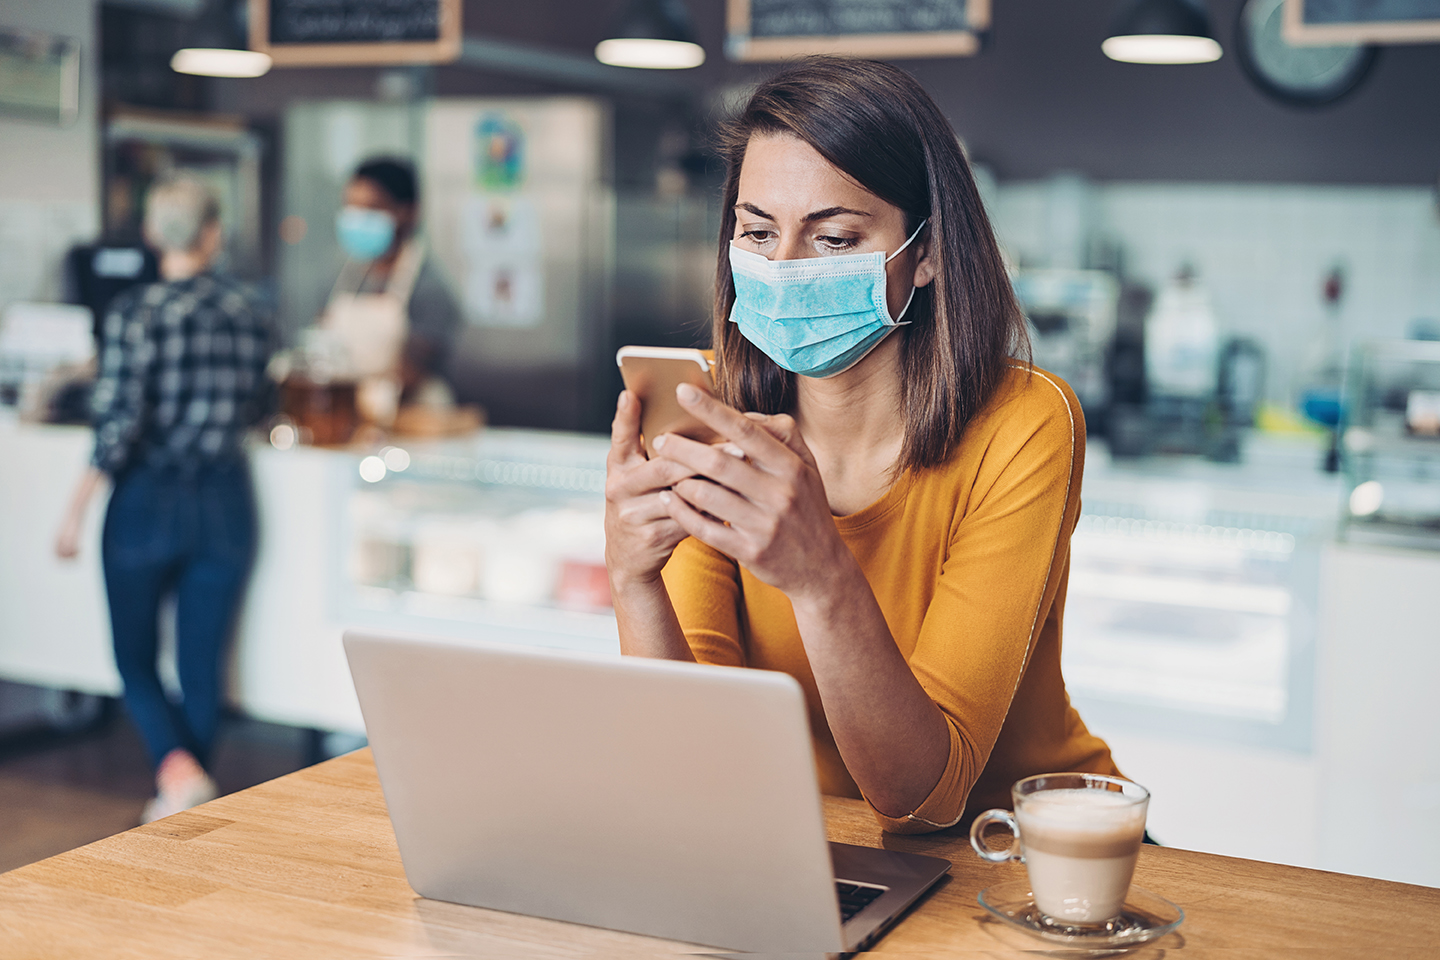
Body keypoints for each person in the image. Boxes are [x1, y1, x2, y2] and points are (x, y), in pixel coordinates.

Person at [605, 57, 1122, 835]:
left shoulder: (1024, 424)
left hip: (1029, 850)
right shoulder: (713, 416)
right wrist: (632, 578)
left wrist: (820, 577)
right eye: (756, 231)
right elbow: (698, 757)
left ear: (928, 253)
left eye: (834, 237)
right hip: (818, 847)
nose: (781, 271)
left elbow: (926, 796)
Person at [54, 174, 274, 822]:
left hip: (146, 500)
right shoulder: (252, 312)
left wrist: (75, 509)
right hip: (227, 498)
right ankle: (184, 793)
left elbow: (119, 425)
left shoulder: (135, 314)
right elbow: (263, 405)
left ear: (152, 235)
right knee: (202, 662)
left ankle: (176, 777)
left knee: (135, 655)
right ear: (214, 235)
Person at [323, 156, 462, 406]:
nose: (357, 219)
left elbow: (411, 374)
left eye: (372, 208)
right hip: (347, 415)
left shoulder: (430, 288)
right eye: (351, 207)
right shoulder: (344, 277)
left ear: (407, 211)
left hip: (414, 420)